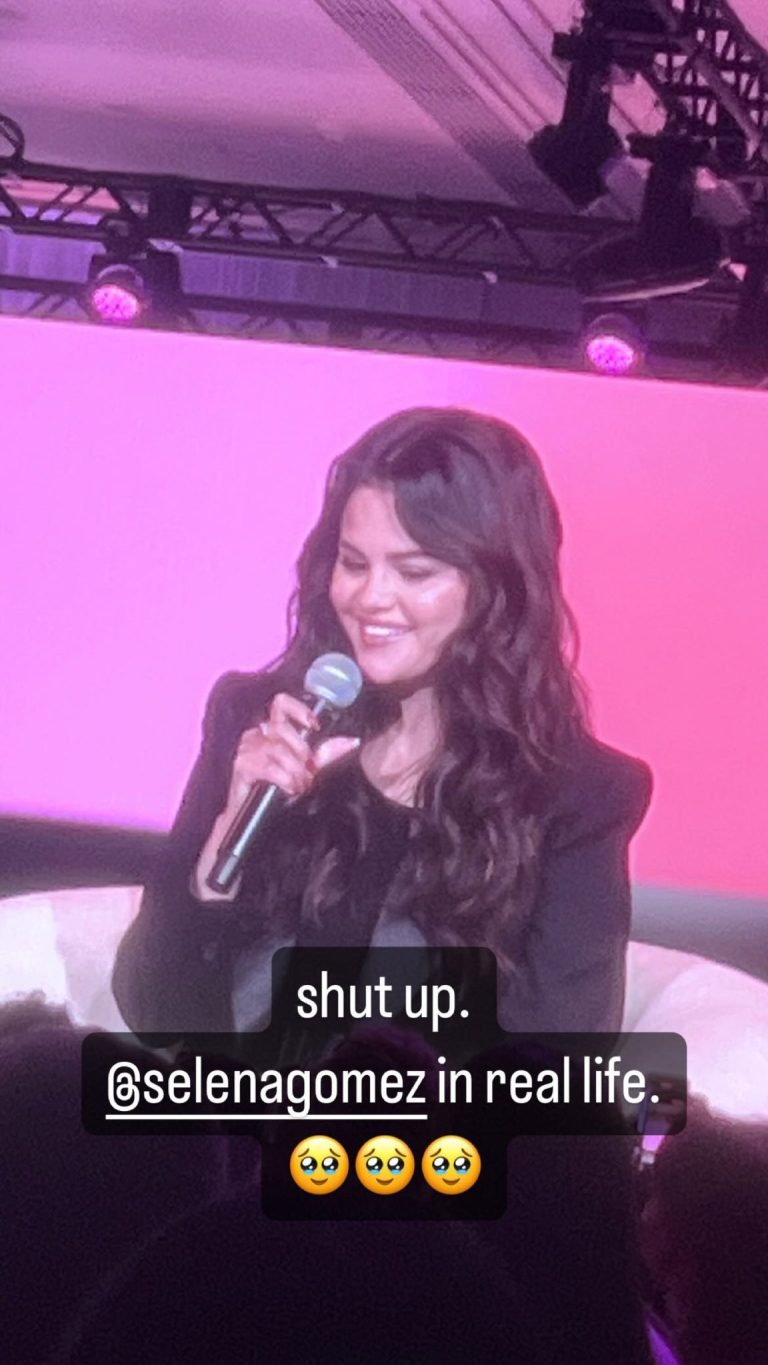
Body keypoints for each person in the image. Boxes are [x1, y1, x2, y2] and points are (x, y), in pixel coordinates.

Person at [112, 406, 652, 1037]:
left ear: (496, 588)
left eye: (414, 572)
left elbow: (561, 1053)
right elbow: (153, 1013)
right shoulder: (260, 727)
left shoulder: (577, 795)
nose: (371, 598)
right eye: (353, 563)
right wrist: (223, 846)